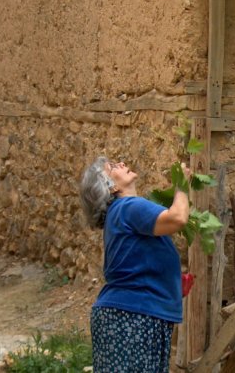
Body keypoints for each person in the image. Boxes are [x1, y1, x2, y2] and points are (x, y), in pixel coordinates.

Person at [79, 156, 191, 373]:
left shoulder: (122, 212)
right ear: (110, 187)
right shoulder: (129, 207)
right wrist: (182, 187)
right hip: (132, 317)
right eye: (112, 167)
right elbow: (178, 218)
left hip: (130, 315)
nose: (120, 163)